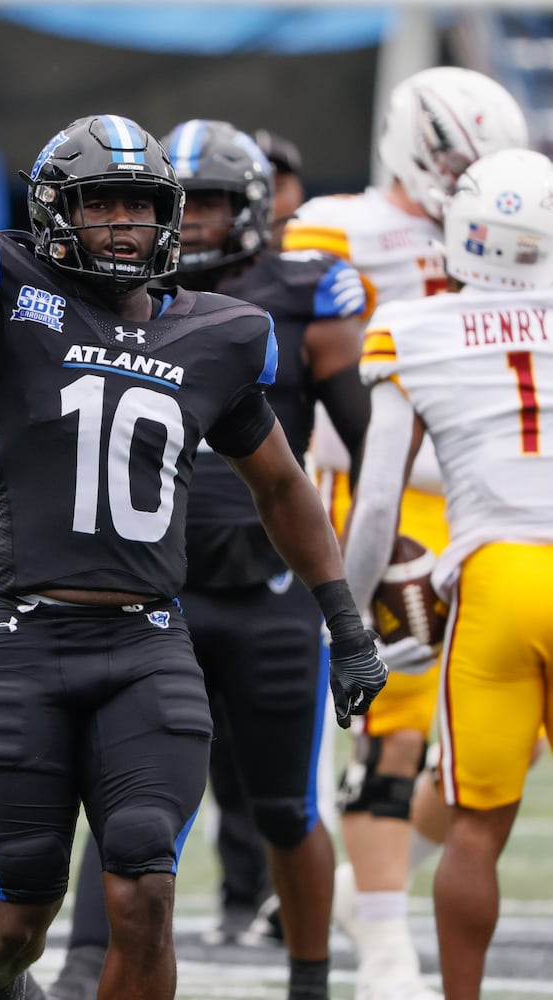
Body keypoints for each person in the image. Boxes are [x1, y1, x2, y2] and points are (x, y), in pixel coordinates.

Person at [0, 51, 387, 1000]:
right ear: (55, 213)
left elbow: (282, 487)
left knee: (141, 890)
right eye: (99, 204)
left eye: (139, 205)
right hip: (27, 642)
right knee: (12, 923)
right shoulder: (9, 309)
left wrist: (343, 619)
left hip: (149, 645)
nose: (123, 224)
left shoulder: (217, 334)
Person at [9, 120, 374, 1000]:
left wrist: (356, 596)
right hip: (151, 597)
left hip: (264, 588)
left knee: (287, 804)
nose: (201, 223)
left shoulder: (289, 295)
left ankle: (309, 980)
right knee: (125, 803)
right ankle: (84, 967)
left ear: (248, 209)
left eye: (216, 203)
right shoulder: (95, 295)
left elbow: (353, 438)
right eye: (192, 203)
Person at [282, 65, 528, 1000]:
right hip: (389, 485)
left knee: (500, 723)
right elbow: (299, 367)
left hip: (498, 493)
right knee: (389, 723)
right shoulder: (334, 229)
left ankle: (368, 891)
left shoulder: (515, 215)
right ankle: (386, 946)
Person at [339, 147, 553, 1000]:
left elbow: (377, 496)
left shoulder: (412, 326)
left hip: (494, 576)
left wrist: (347, 618)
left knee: (474, 830)